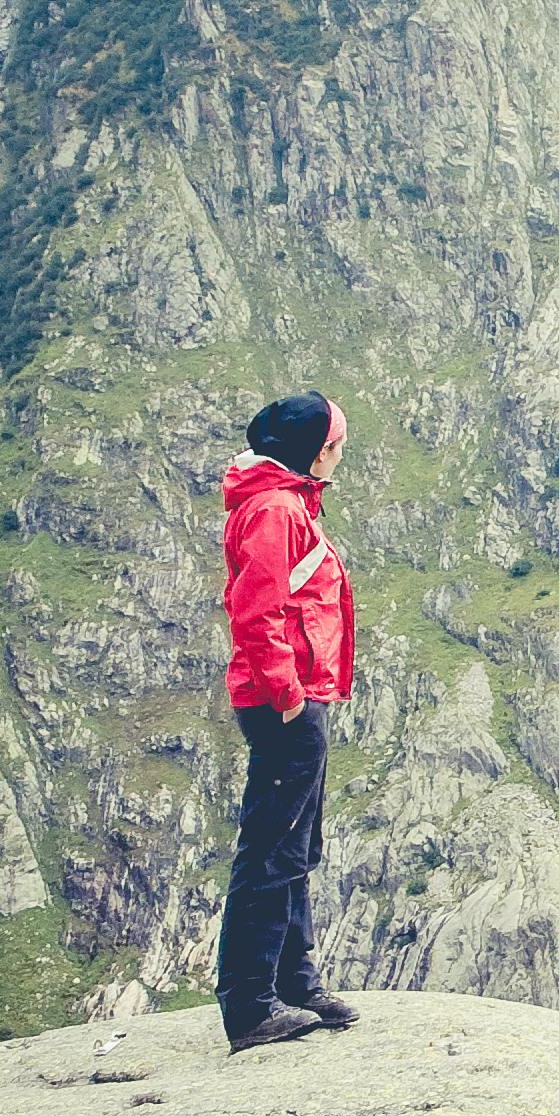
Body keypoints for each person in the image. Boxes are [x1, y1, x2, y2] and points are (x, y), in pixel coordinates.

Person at [216, 392, 364, 1047]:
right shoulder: (276, 509)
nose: (341, 453)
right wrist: (290, 698)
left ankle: (296, 985)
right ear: (312, 448)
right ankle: (250, 1004)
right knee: (272, 851)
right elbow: (257, 611)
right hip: (286, 704)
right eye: (335, 442)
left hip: (301, 697)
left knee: (296, 846)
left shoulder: (289, 501)